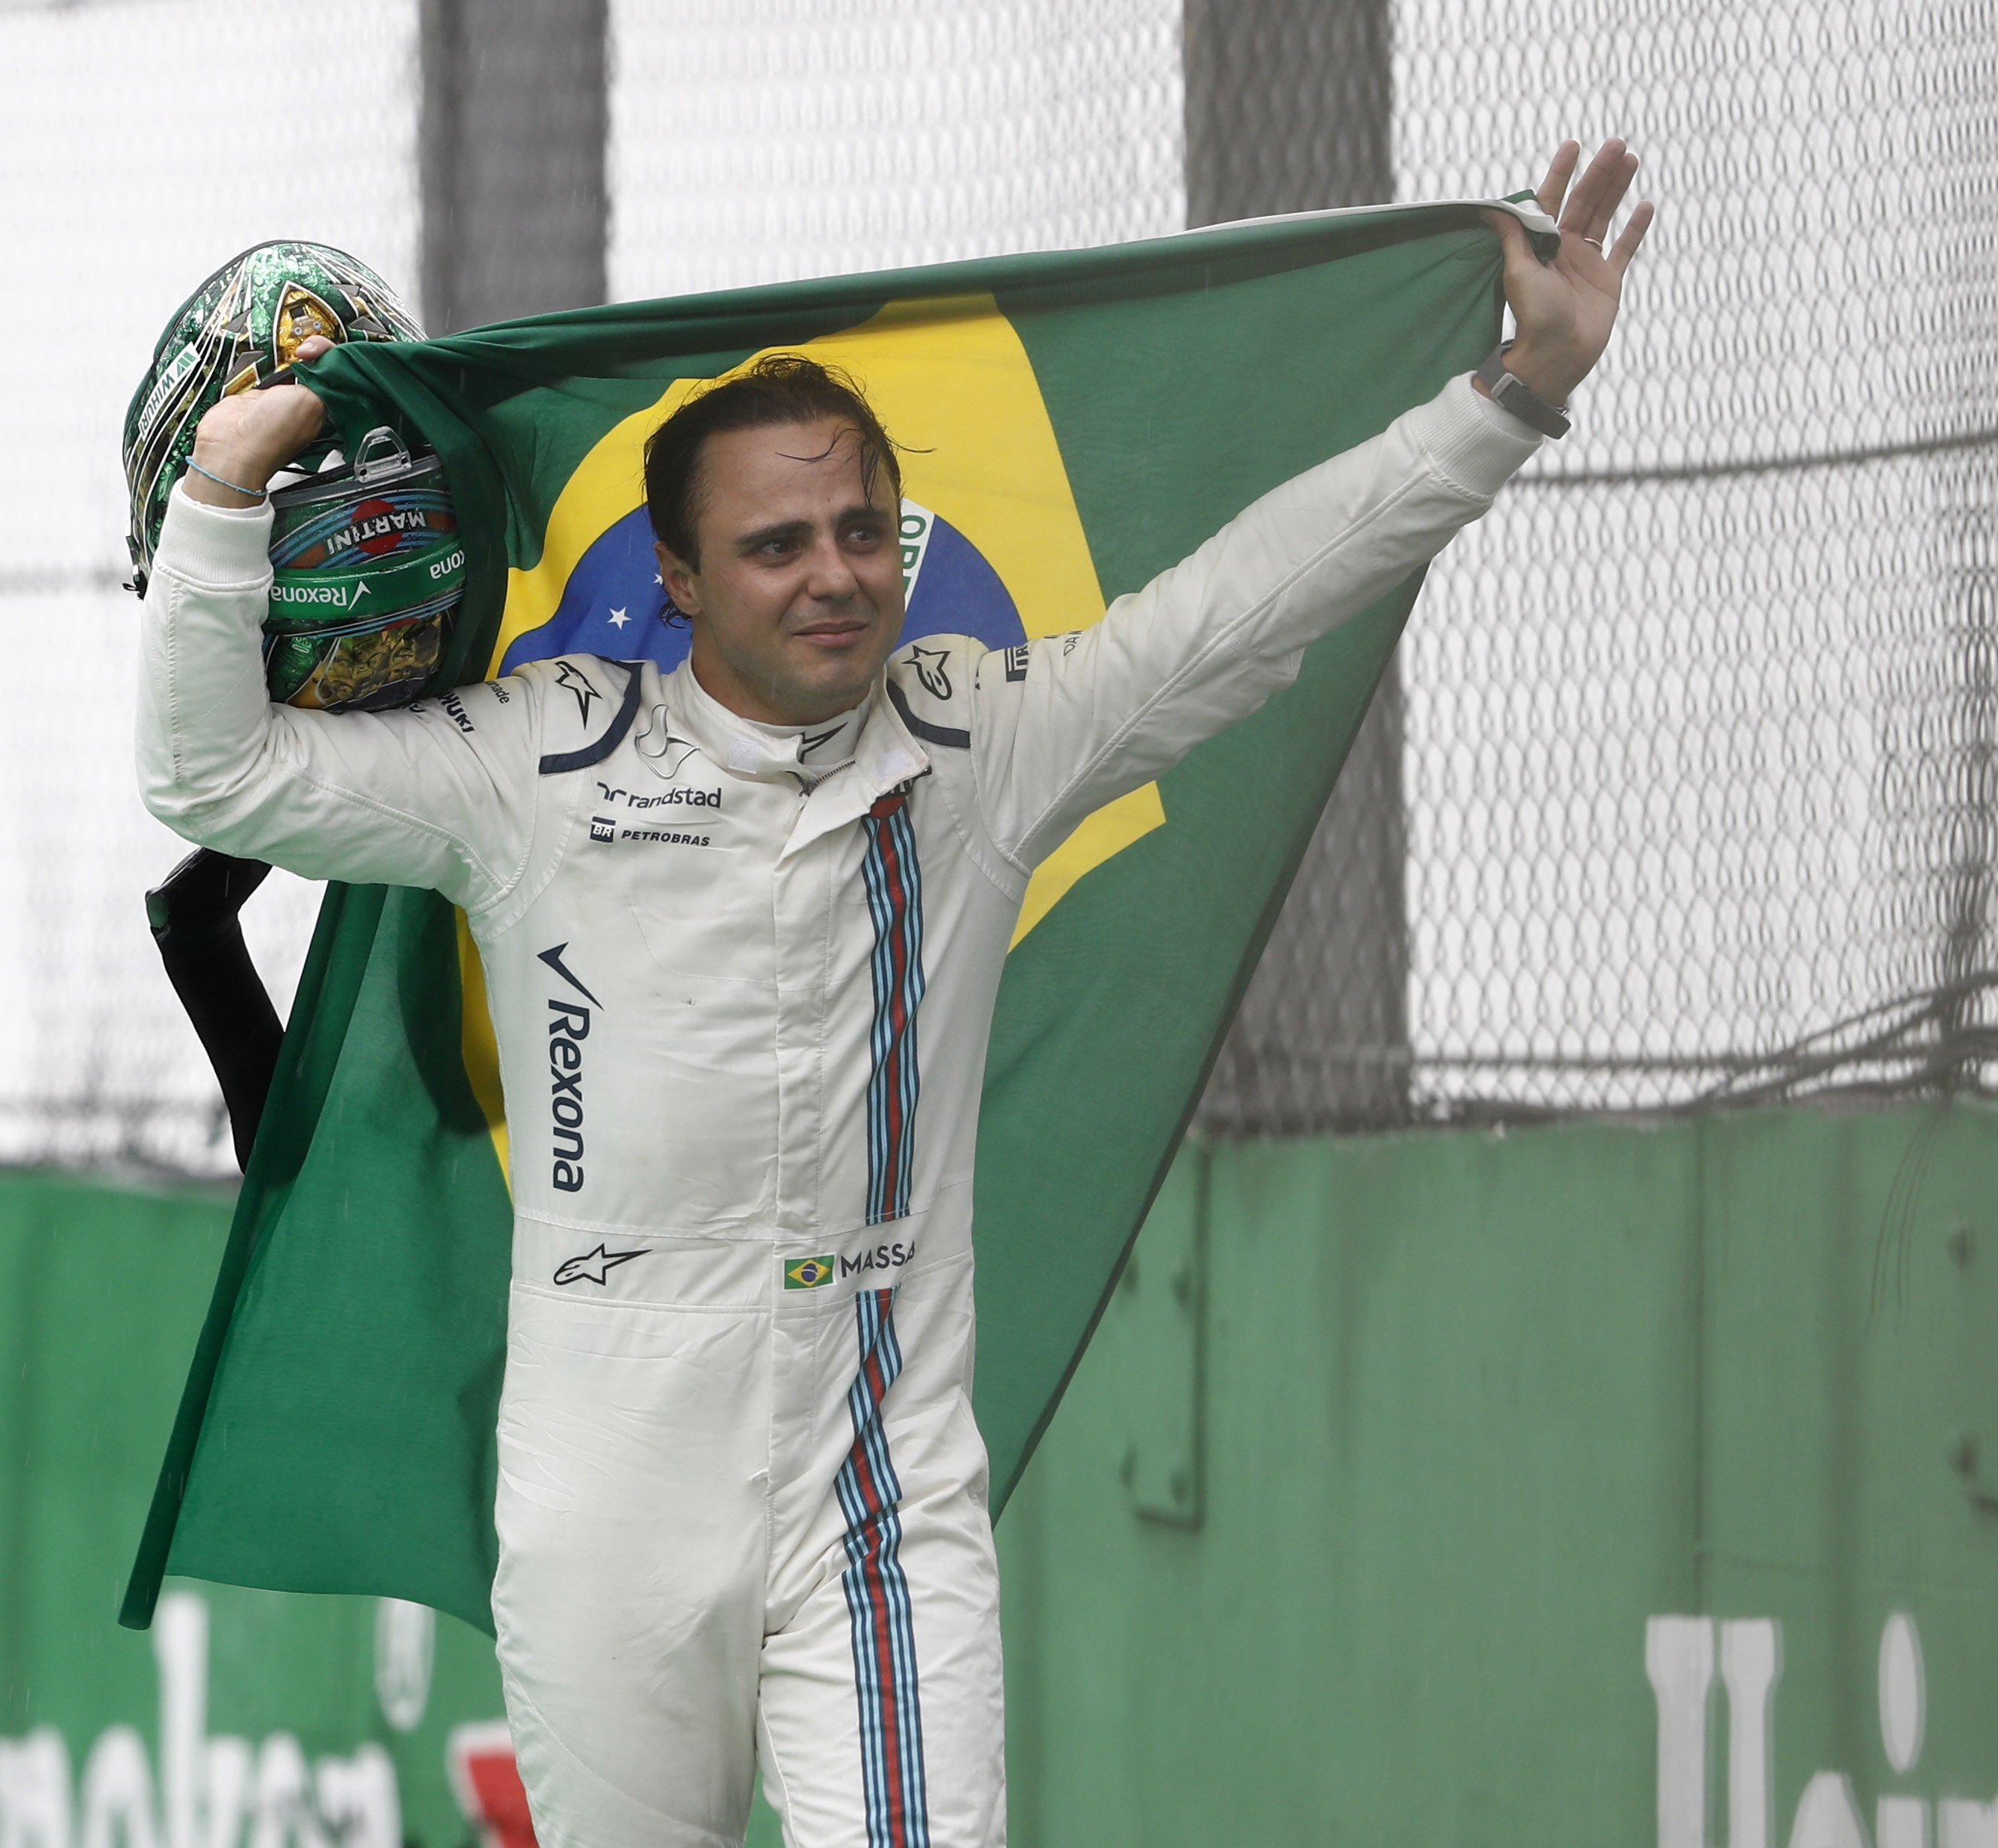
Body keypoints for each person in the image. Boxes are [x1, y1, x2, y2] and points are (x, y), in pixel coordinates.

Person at [135, 142, 1651, 1848]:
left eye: (864, 528)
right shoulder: (535, 764)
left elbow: (1246, 606)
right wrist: (216, 504)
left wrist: (1515, 394)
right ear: (683, 581)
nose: (836, 572)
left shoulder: (979, 742)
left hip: (876, 1488)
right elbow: (216, 780)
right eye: (775, 544)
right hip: (606, 1485)